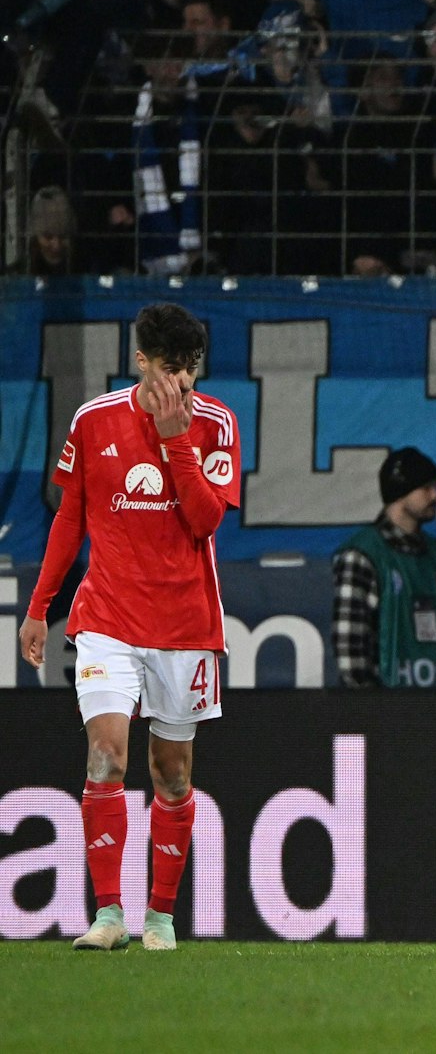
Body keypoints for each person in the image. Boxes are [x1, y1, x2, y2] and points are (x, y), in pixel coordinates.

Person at [20, 303, 242, 953]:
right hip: (108, 617)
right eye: (170, 367)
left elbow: (205, 521)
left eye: (191, 369)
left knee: (171, 772)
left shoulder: (216, 423)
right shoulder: (94, 420)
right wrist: (40, 604)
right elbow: (70, 517)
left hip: (184, 624)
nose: (182, 383)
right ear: (140, 359)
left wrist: (177, 438)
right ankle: (110, 913)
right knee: (106, 755)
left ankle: (162, 918)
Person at [331, 448, 436, 690]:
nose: (435, 495)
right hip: (385, 712)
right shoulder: (361, 555)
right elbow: (349, 647)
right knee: (345, 731)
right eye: (425, 487)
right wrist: (370, 711)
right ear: (400, 491)